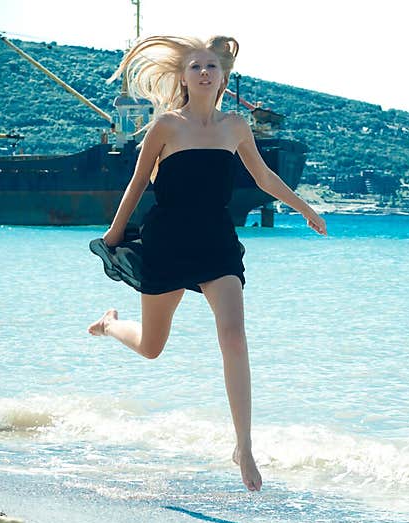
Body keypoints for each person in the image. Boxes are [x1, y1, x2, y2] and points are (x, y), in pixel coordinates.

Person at [87, 35, 327, 492]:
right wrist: (115, 234)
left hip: (217, 240)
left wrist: (304, 207)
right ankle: (109, 323)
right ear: (183, 76)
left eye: (211, 67)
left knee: (234, 338)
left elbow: (264, 176)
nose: (203, 72)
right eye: (195, 66)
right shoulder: (166, 126)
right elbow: (137, 184)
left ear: (222, 77)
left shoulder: (235, 125)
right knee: (152, 346)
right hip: (168, 239)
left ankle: (244, 445)